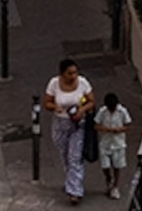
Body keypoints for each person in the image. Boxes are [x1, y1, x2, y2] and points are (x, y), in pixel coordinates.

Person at [42, 61, 95, 203]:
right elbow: (47, 102)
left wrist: (81, 110)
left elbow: (91, 101)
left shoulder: (83, 83)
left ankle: (75, 191)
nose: (73, 76)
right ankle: (70, 181)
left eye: (75, 73)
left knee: (74, 157)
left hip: (77, 124)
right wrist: (54, 107)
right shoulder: (54, 84)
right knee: (65, 154)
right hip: (60, 123)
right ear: (62, 74)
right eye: (70, 73)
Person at [93, 89, 132, 198]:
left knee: (117, 166)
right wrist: (105, 129)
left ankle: (115, 186)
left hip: (118, 143)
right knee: (105, 165)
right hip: (105, 142)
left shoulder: (122, 111)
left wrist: (120, 129)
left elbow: (128, 125)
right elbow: (96, 125)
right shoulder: (102, 112)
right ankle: (108, 178)